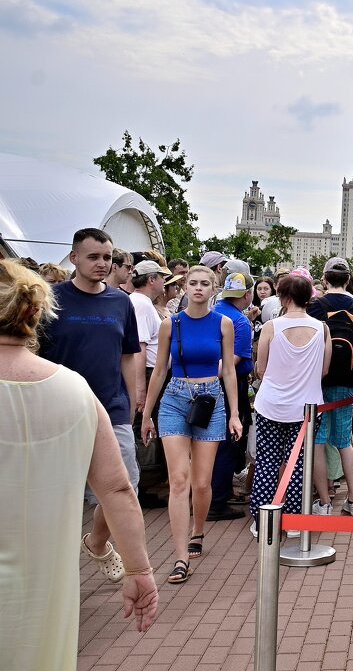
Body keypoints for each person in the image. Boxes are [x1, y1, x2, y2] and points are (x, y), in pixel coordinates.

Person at [0, 260, 158, 668]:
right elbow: (117, 489)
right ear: (35, 313)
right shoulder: (74, 390)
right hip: (46, 595)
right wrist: (138, 569)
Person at [38, 228, 142, 583]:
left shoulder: (121, 302)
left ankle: (97, 543)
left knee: (126, 486)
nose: (102, 263)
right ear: (74, 258)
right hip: (57, 411)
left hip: (111, 409)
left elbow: (129, 354)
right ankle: (55, 573)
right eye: (93, 256)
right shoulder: (50, 299)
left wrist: (132, 399)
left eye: (107, 257)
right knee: (58, 495)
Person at [142, 265, 243, 583]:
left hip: (210, 401)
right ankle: (180, 557)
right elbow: (159, 370)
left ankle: (198, 530)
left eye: (204, 284)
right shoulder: (170, 324)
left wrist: (235, 413)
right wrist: (146, 413)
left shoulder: (224, 323)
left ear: (214, 289)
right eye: (193, 283)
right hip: (174, 399)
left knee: (201, 483)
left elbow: (229, 370)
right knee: (178, 480)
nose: (198, 288)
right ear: (184, 287)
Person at [249, 274, 331, 537]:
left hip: (271, 404)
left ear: (282, 297)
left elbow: (261, 369)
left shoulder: (271, 327)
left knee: (267, 462)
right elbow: (324, 370)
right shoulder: (322, 328)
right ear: (309, 297)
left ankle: (262, 520)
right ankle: (295, 519)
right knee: (298, 464)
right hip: (307, 406)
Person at [307, 257, 353, 517]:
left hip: (318, 383)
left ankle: (324, 502)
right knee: (345, 441)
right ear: (348, 280)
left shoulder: (315, 306)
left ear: (324, 279)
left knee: (318, 441)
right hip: (346, 382)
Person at [208, 273, 257, 521]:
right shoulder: (239, 322)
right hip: (229, 384)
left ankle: (216, 493)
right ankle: (217, 501)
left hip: (202, 384)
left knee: (207, 441)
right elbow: (233, 361)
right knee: (229, 440)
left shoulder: (211, 311)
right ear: (247, 294)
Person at [130, 258, 171, 508]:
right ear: (151, 279)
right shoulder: (142, 305)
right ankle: (142, 485)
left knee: (145, 426)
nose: (165, 283)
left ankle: (143, 483)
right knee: (143, 427)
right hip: (146, 373)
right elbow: (140, 347)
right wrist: (141, 388)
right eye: (162, 277)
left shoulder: (142, 303)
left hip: (150, 372)